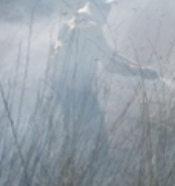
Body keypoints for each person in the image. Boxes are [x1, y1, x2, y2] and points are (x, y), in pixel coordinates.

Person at [48, 0, 159, 154]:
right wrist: (140, 73)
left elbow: (110, 54)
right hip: (78, 92)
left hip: (61, 87)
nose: (107, 15)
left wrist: (138, 66)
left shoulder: (74, 19)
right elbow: (110, 64)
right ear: (95, 6)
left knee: (71, 136)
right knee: (98, 141)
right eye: (105, 9)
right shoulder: (91, 29)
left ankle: (70, 168)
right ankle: (98, 172)